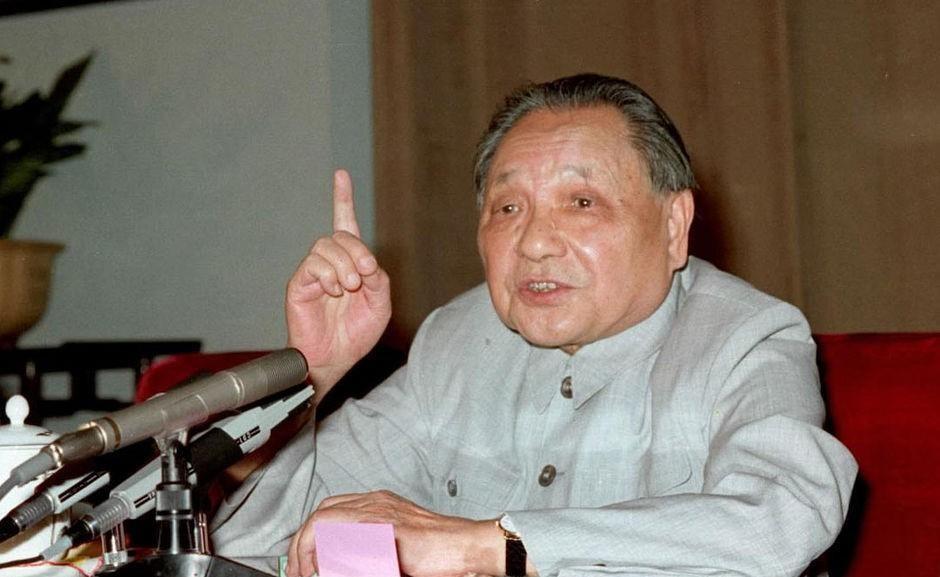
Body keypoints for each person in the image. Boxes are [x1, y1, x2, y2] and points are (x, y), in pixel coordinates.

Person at [211, 74, 857, 577]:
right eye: (507, 207)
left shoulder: (747, 339)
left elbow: (779, 522)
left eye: (581, 202)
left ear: (673, 226)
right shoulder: (457, 342)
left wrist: (492, 545)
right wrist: (313, 376)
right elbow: (248, 546)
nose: (535, 242)